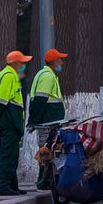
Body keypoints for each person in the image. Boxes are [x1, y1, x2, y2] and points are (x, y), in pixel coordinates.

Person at [0, 51, 32, 196]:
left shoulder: (10, 75)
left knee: (12, 156)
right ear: (14, 63)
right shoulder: (8, 76)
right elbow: (1, 101)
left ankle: (12, 186)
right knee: (7, 155)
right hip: (8, 123)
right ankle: (3, 187)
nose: (23, 65)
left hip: (11, 123)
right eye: (21, 62)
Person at [29, 49, 68, 189]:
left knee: (47, 151)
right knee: (46, 152)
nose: (61, 62)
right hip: (48, 122)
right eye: (59, 60)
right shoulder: (47, 77)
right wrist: (34, 121)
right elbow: (40, 100)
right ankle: (44, 182)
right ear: (53, 62)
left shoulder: (45, 74)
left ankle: (46, 181)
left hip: (49, 121)